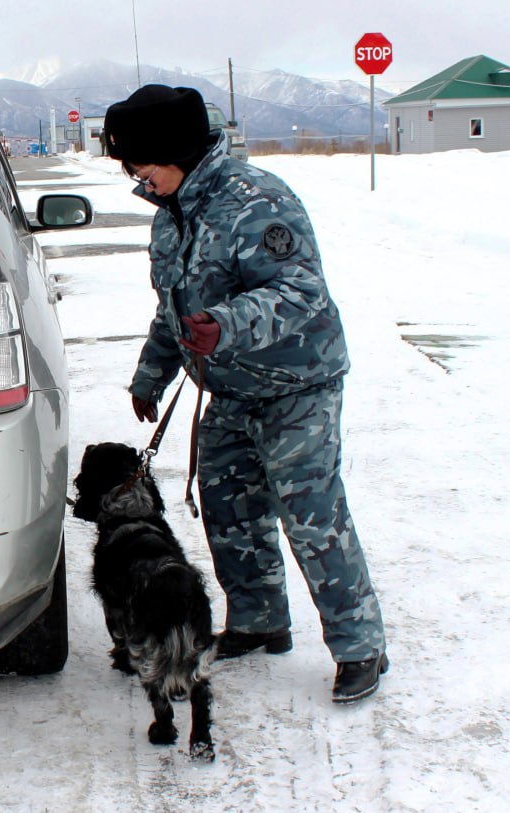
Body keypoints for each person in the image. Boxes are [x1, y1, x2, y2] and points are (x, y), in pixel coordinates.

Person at [102, 85, 387, 703]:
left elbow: (301, 291)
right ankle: (260, 621)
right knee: (230, 510)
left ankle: (361, 645)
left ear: (177, 151)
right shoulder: (170, 217)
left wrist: (228, 323)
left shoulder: (257, 201)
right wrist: (152, 374)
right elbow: (171, 311)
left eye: (144, 165)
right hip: (229, 389)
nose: (139, 178)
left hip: (297, 386)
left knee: (311, 517)